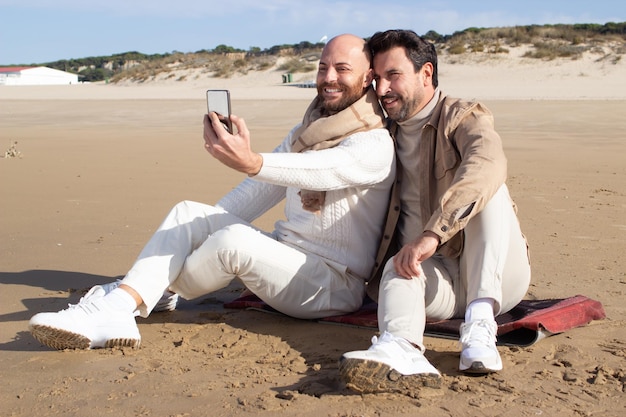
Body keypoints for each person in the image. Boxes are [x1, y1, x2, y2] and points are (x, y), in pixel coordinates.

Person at [28, 34, 396, 351]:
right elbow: (257, 191)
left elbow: (320, 172)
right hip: (286, 259)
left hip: (333, 284)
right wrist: (200, 232)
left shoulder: (375, 145)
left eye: (342, 69)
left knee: (232, 241)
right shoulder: (308, 130)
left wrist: (252, 160)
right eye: (322, 67)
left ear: (367, 79)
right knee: (191, 212)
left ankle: (129, 295)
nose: (328, 77)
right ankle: (128, 302)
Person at [339, 29, 531, 394]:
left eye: (393, 76)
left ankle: (479, 323)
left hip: (499, 274)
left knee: (490, 186)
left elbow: (486, 165)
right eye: (377, 79)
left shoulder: (463, 116)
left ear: (425, 73)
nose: (382, 90)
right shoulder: (381, 133)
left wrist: (431, 235)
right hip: (437, 277)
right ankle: (403, 348)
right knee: (398, 268)